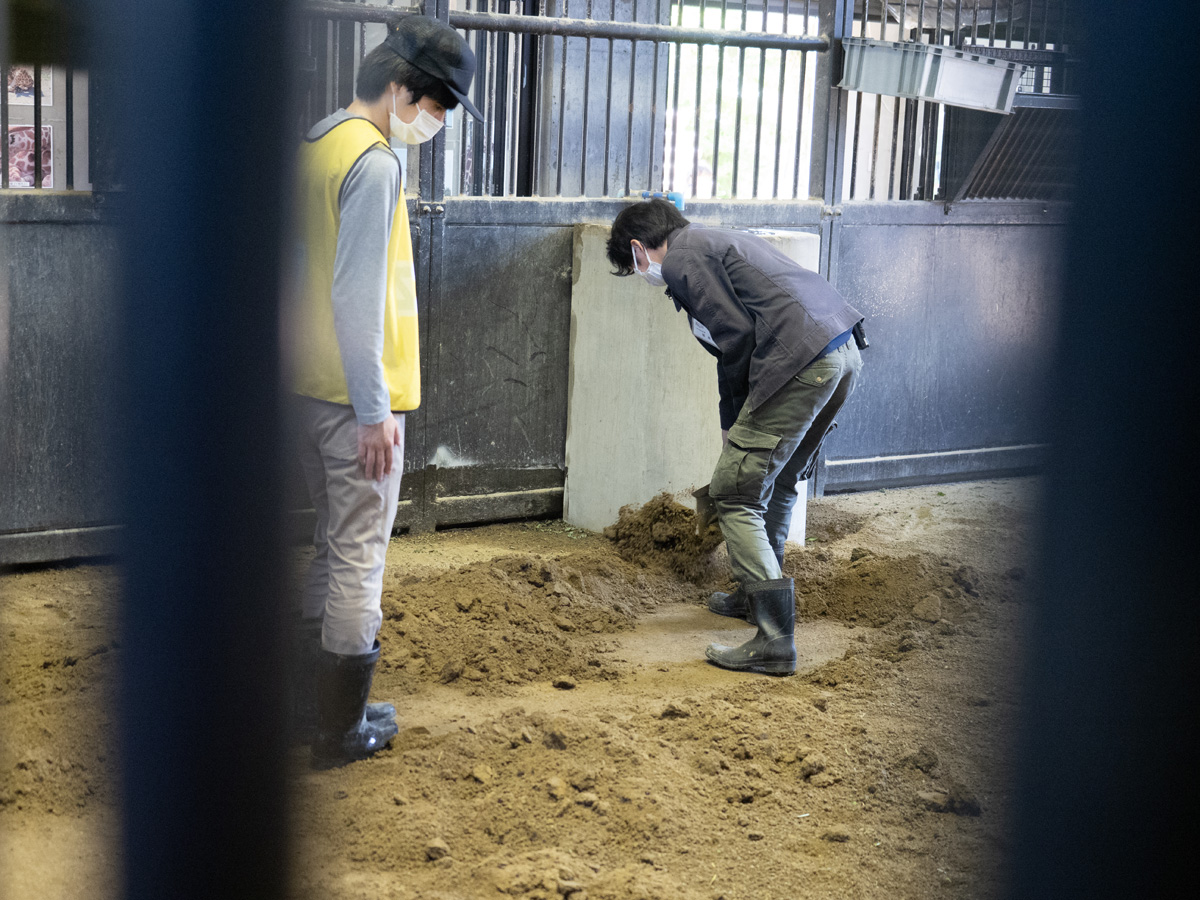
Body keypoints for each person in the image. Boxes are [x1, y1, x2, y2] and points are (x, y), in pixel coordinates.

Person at [289, 16, 481, 767]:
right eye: (434, 105)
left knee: (332, 545)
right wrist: (375, 412)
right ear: (400, 88)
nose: (432, 121)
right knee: (361, 555)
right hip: (354, 401)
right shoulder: (373, 164)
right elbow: (356, 298)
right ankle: (341, 728)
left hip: (309, 389)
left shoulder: (317, 141)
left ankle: (310, 708)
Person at [606, 199, 865, 676]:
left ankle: (773, 640)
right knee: (780, 479)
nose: (642, 275)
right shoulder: (712, 241)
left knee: (734, 490)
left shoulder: (682, 258)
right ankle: (753, 597)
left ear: (640, 249)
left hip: (800, 363)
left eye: (634, 265)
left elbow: (736, 337)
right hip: (841, 354)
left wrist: (735, 418)